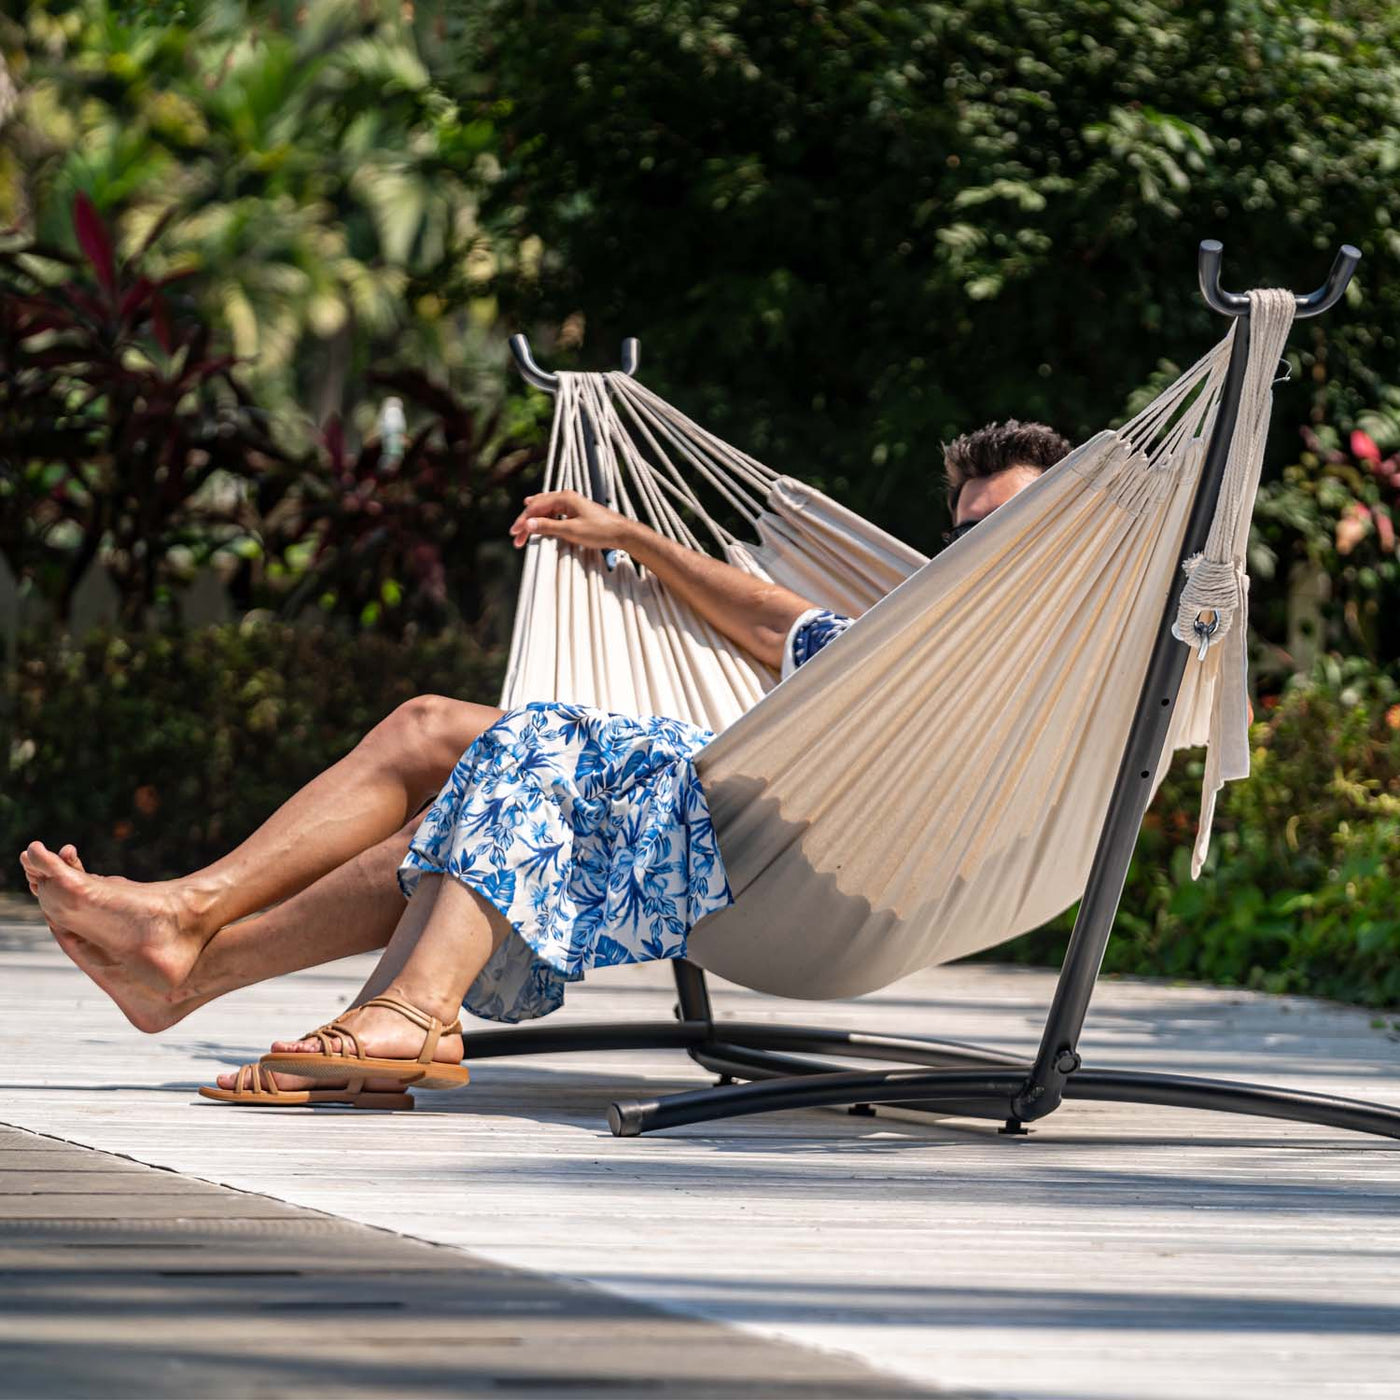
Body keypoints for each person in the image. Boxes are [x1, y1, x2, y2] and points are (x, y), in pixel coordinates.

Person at [21, 420, 1070, 1104]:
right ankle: (190, 944)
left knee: (533, 743)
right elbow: (777, 621)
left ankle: (386, 1007)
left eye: (1006, 523)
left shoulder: (1061, 644)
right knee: (437, 727)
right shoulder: (898, 631)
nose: (974, 546)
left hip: (805, 859)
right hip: (731, 807)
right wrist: (634, 537)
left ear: (1063, 532)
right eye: (961, 531)